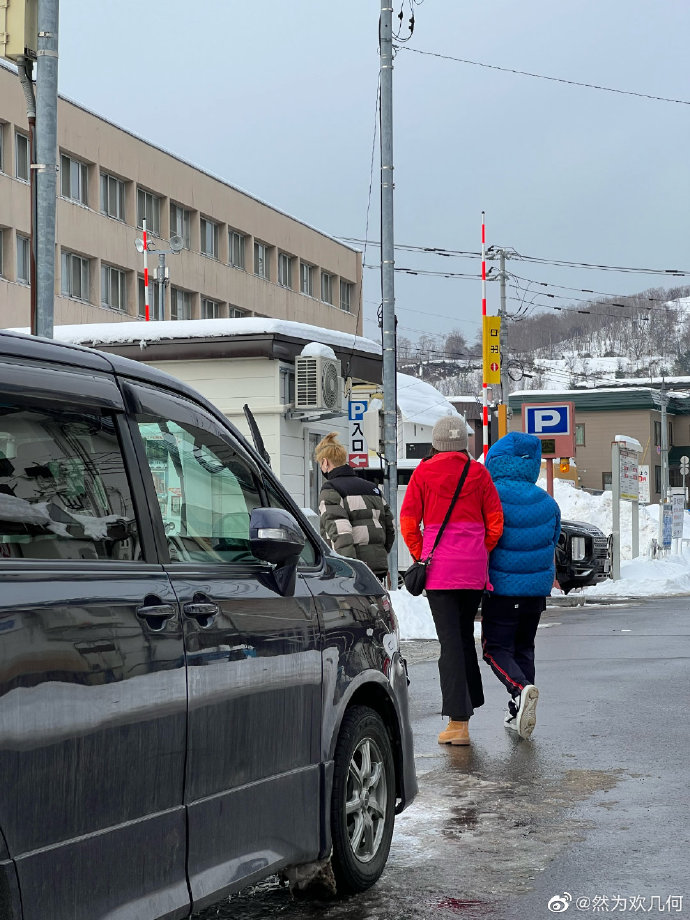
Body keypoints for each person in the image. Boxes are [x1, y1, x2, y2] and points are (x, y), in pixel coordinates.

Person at [400, 415, 504, 746]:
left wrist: (422, 552)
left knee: (450, 642)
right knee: (461, 636)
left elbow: (407, 521)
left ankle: (458, 723)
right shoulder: (479, 472)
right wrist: (477, 549)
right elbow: (495, 523)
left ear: (436, 443)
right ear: (463, 444)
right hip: (473, 570)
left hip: (441, 571)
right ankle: (469, 703)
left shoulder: (423, 472)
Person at [482, 431, 561, 740]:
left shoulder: (490, 496)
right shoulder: (548, 502)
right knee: (524, 647)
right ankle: (519, 709)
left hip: (502, 589)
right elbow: (552, 541)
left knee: (495, 649)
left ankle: (518, 689)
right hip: (535, 592)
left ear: (497, 462)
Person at [315, 432, 395, 582]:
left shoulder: (331, 489)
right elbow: (390, 527)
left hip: (354, 571)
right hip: (378, 566)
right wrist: (380, 553)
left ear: (325, 462)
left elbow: (340, 533)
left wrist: (348, 570)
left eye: (320, 463)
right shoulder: (372, 488)